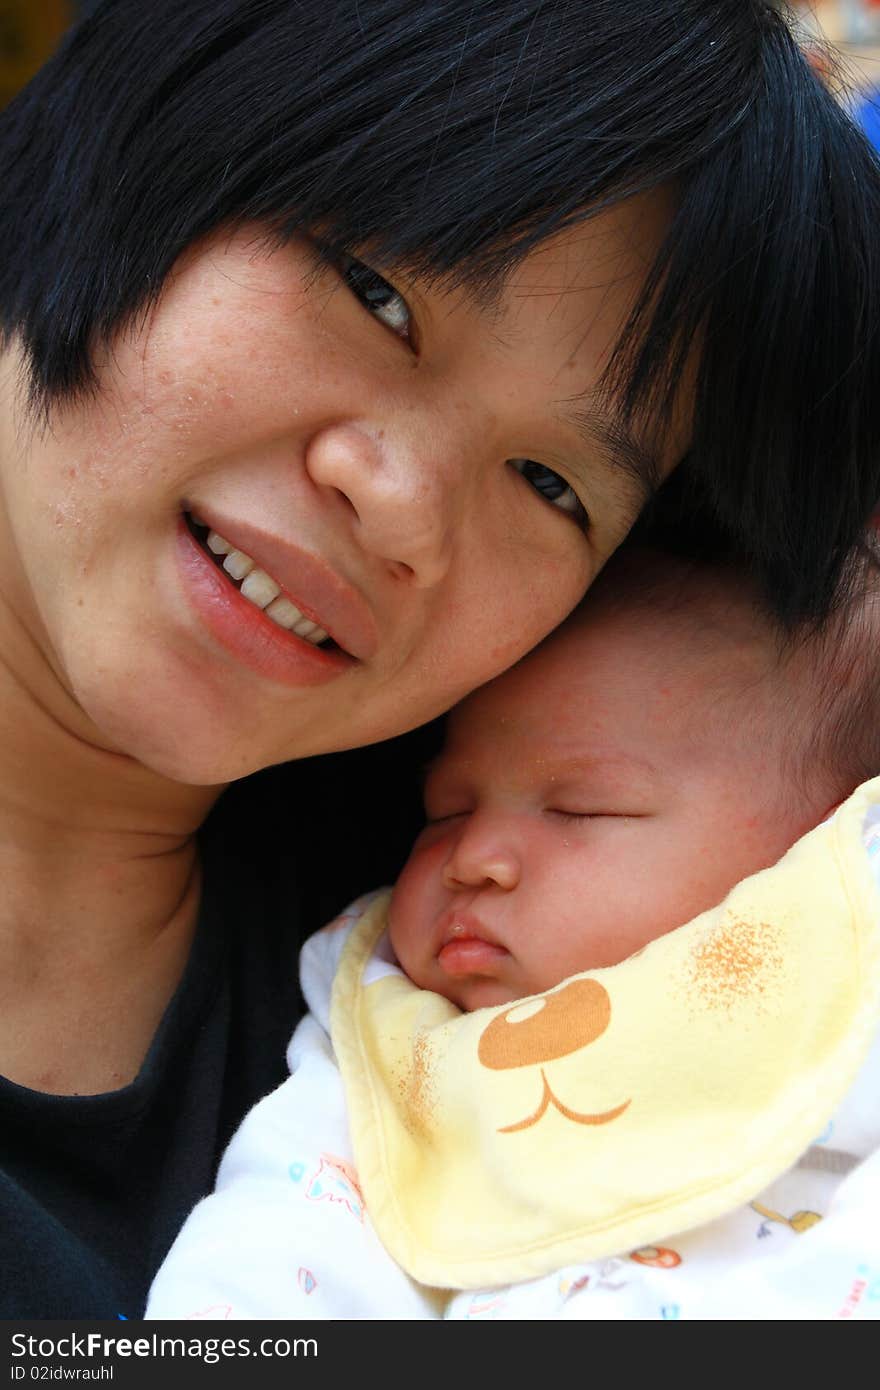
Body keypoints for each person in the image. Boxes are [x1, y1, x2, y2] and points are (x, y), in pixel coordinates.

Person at [2, 1, 880, 1320]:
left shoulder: (504, 948)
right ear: (145, 120)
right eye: (376, 293)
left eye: (551, 483)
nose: (404, 507)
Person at [143, 545, 880, 1320]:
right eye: (446, 812)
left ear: (822, 839)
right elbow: (281, 1235)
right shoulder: (400, 1025)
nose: (474, 857)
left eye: (580, 809)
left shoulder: (847, 954)